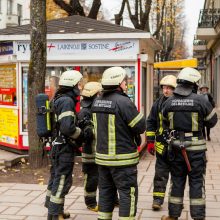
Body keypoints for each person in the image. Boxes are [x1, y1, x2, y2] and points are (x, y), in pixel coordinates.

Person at [161, 67, 218, 220]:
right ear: (193, 83)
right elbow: (212, 121)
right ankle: (198, 216)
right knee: (197, 181)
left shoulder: (169, 101)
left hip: (175, 149)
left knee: (177, 181)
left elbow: (165, 122)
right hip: (196, 150)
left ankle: (173, 215)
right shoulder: (201, 100)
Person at [91, 66, 146, 220]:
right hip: (123, 160)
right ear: (119, 83)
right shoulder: (124, 102)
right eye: (124, 81)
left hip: (102, 159)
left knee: (105, 193)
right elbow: (140, 126)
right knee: (127, 194)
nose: (125, 84)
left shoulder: (97, 101)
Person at [45, 70, 84, 220]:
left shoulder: (57, 98)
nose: (80, 88)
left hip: (56, 146)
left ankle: (55, 210)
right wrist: (81, 134)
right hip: (64, 148)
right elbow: (68, 128)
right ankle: (55, 214)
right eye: (78, 84)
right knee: (62, 181)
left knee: (55, 178)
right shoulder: (67, 101)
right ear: (72, 85)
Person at [146, 75, 177, 211]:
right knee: (160, 174)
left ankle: (175, 202)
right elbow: (151, 121)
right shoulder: (158, 103)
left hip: (177, 146)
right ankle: (157, 200)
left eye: (169, 88)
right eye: (164, 88)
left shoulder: (179, 103)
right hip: (161, 145)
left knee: (177, 176)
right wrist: (150, 141)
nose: (166, 91)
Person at [77, 81, 102, 212]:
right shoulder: (84, 113)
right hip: (90, 152)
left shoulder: (96, 108)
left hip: (100, 151)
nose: (101, 95)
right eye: (99, 93)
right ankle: (90, 202)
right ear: (95, 94)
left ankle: (112, 200)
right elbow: (84, 135)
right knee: (91, 178)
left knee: (103, 178)